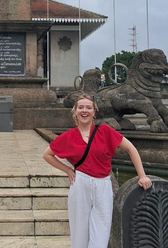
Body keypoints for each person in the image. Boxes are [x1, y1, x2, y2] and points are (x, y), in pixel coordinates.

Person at [43, 94, 152, 248]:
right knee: (79, 237)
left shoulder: (105, 131)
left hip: (103, 185)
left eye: (88, 107)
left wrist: (142, 176)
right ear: (75, 112)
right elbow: (47, 155)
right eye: (80, 107)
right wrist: (67, 170)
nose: (84, 110)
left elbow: (131, 149)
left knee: (101, 236)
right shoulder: (69, 136)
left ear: (94, 111)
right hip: (80, 184)